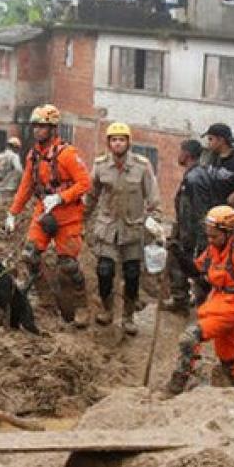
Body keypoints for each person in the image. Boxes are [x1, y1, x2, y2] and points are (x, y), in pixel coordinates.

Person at [6, 104, 93, 328]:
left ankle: (81, 305)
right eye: (35, 126)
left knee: (68, 264)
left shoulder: (67, 154)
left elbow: (85, 183)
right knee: (30, 255)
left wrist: (62, 197)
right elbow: (26, 185)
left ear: (53, 128)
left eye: (42, 126)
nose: (37, 130)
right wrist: (13, 212)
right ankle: (45, 300)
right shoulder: (33, 156)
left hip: (68, 214)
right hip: (44, 211)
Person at [166, 206, 234, 395]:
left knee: (190, 337)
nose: (210, 240)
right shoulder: (212, 250)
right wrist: (178, 254)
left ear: (228, 233)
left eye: (214, 236)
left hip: (232, 307)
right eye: (209, 236)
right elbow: (196, 271)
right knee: (228, 356)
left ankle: (177, 384)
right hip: (217, 302)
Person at [87, 122, 161, 335]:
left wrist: (154, 221)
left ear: (128, 142)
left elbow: (152, 195)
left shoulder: (142, 165)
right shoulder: (101, 165)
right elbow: (91, 196)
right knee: (104, 271)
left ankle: (128, 316)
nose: (117, 143)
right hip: (108, 228)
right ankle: (108, 309)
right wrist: (82, 218)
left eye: (121, 139)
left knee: (131, 274)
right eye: (113, 140)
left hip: (132, 228)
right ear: (109, 143)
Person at [161, 139, 215, 313]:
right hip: (185, 230)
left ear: (187, 154)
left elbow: (199, 211)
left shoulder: (195, 178)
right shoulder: (194, 174)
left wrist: (199, 239)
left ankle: (185, 302)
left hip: (190, 234)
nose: (179, 155)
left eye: (181, 151)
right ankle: (184, 300)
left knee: (186, 266)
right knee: (178, 262)